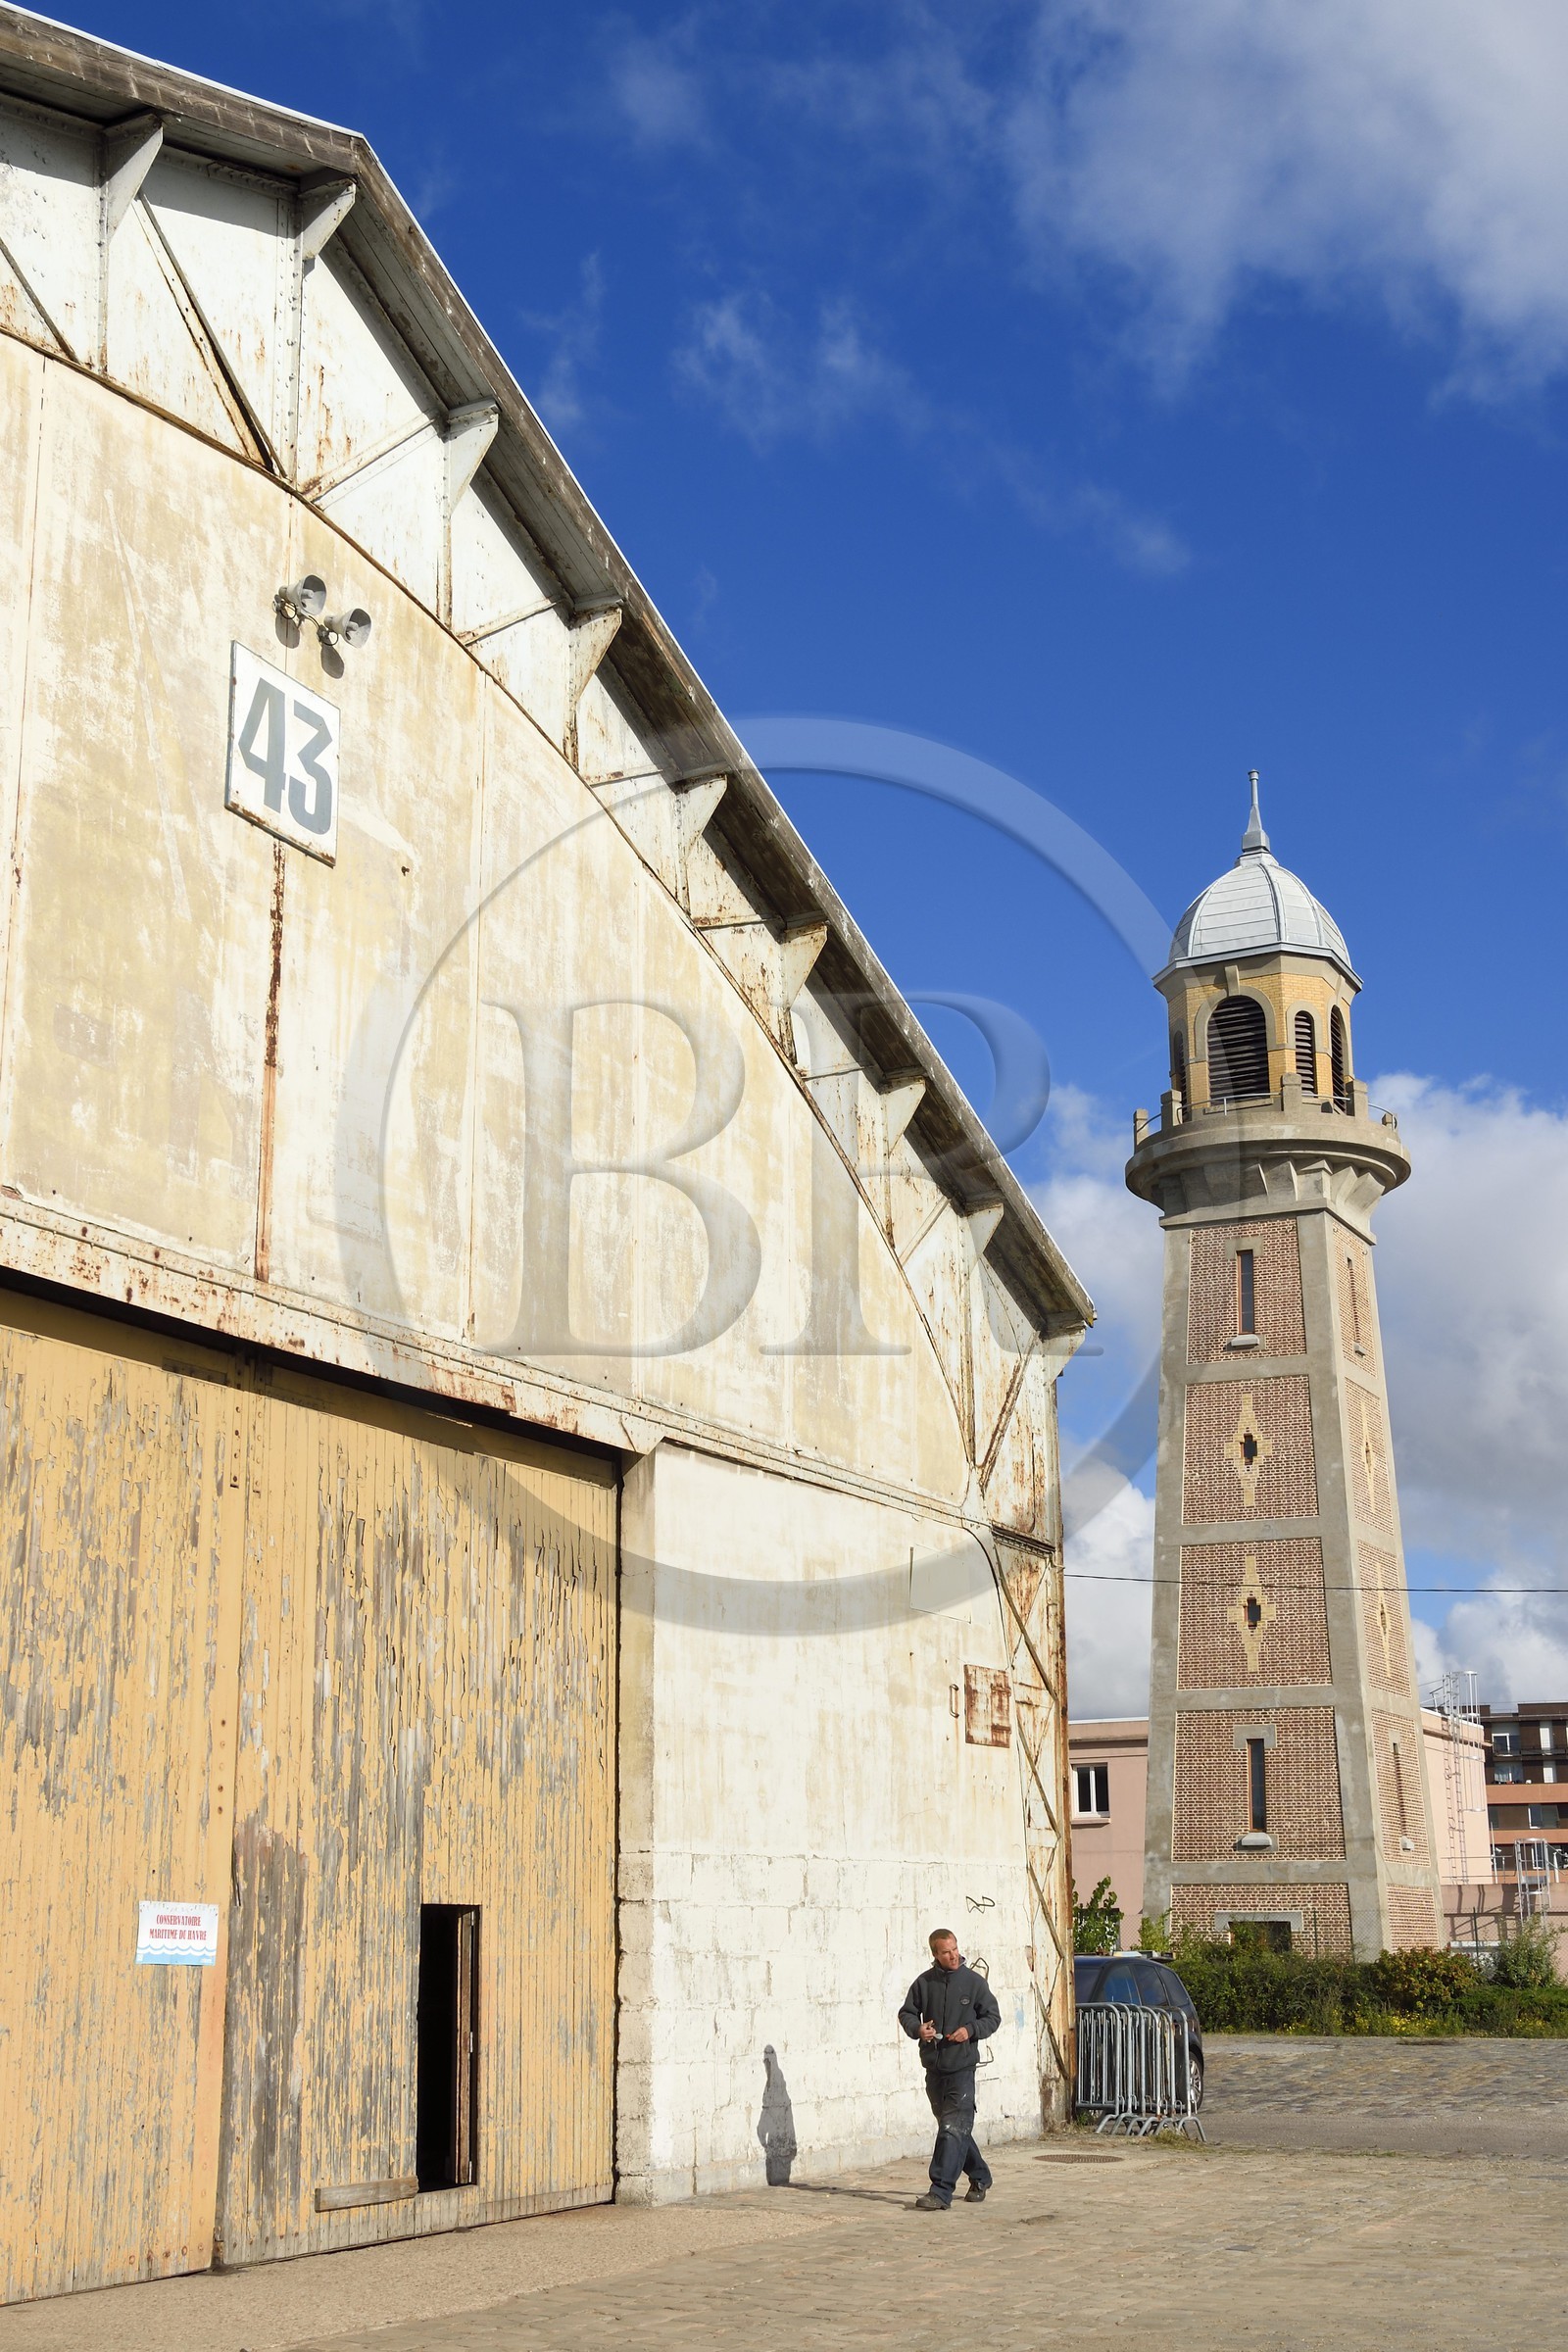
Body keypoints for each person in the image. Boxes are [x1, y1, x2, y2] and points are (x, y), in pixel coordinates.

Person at [897, 1928, 1001, 2211]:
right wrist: (918, 2029)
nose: (953, 1956)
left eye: (955, 1949)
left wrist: (970, 2030)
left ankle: (940, 2191)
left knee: (951, 2128)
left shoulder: (974, 1982)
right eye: (946, 1952)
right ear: (935, 1954)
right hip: (934, 2068)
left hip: (962, 2068)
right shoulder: (923, 1983)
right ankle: (981, 2176)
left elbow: (992, 2017)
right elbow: (906, 2013)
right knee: (952, 2128)